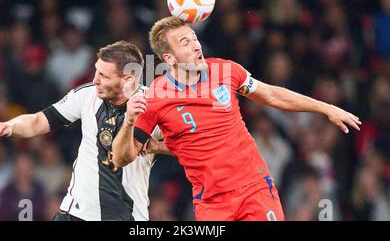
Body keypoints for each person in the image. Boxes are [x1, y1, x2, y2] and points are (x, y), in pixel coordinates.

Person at [112, 16, 362, 221]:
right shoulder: (156, 96)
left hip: (255, 188)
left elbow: (272, 95)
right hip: (212, 204)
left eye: (195, 38)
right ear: (169, 59)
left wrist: (326, 108)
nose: (196, 46)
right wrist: (131, 120)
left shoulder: (225, 71)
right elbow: (122, 157)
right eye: (185, 42)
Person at [0, 41, 169, 221]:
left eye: (104, 75)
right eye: (97, 70)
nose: (95, 79)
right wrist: (10, 126)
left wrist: (158, 147)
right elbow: (38, 121)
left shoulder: (154, 106)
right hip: (76, 212)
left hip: (126, 215)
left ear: (128, 79)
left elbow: (192, 144)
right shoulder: (86, 95)